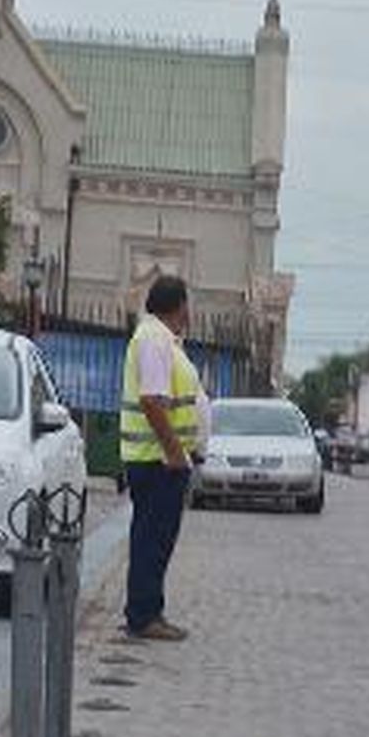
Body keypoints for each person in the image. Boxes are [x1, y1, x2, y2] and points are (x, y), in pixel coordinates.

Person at [119, 275, 208, 641]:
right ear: (179, 305)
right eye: (188, 303)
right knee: (153, 540)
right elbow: (152, 401)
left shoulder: (161, 339)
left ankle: (146, 611)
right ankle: (144, 616)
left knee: (153, 538)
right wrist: (175, 453)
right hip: (157, 460)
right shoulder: (155, 340)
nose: (190, 311)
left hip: (160, 459)